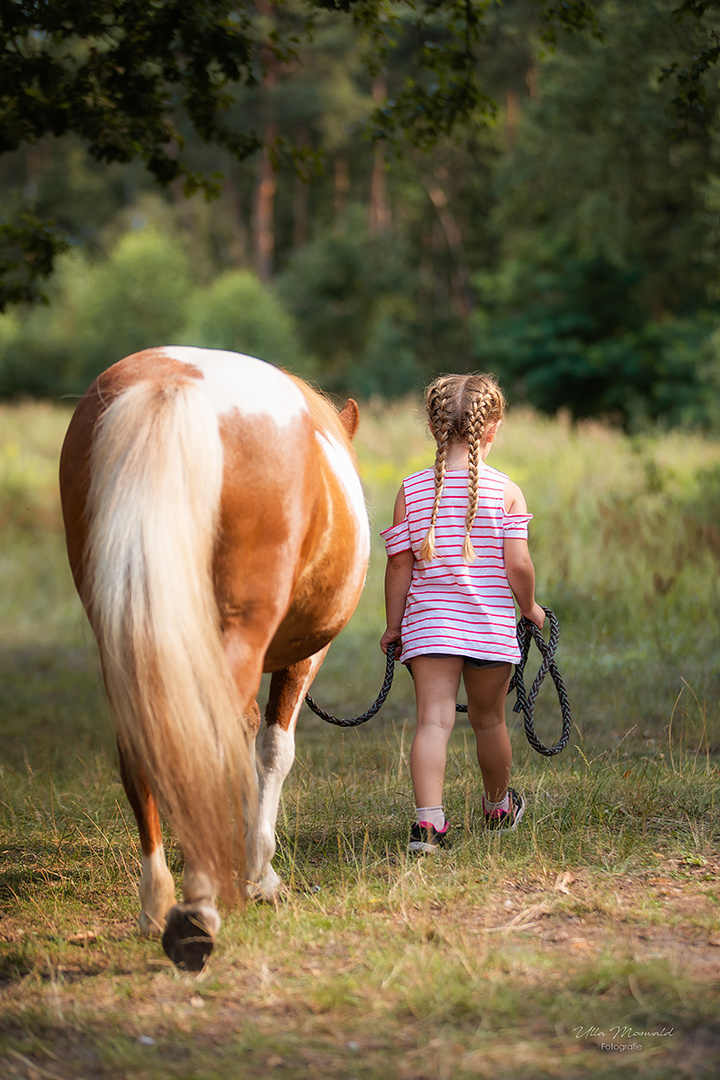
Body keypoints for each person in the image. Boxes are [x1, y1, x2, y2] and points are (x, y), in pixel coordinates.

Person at [379, 373, 545, 853]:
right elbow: (519, 564)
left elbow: (397, 565)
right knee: (489, 722)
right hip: (491, 631)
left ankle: (429, 827)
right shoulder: (506, 491)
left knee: (433, 721)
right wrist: (529, 607)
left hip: (429, 628)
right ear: (491, 431)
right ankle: (498, 808)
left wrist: (394, 626)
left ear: (433, 429)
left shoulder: (410, 491)